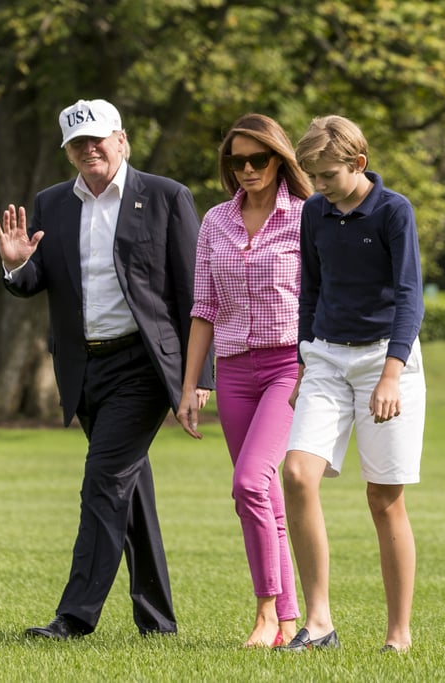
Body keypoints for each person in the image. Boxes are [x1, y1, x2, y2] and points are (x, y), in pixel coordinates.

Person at [0, 98, 214, 640]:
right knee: (129, 490)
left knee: (103, 482)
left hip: (143, 366)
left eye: (98, 138)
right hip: (84, 368)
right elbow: (33, 283)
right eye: (77, 142)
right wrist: (17, 263)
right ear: (67, 149)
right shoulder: (51, 204)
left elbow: (195, 293)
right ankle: (158, 622)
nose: (89, 148)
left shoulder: (165, 197)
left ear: (121, 140)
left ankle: (74, 616)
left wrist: (198, 378)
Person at [276, 115, 427, 654]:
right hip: (325, 360)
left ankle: (398, 635)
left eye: (327, 175)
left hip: (387, 363)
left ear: (358, 164)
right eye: (312, 176)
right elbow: (310, 292)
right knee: (296, 472)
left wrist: (391, 373)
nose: (318, 187)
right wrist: (301, 363)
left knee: (384, 498)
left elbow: (410, 297)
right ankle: (319, 624)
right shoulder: (315, 212)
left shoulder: (393, 211)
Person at [177, 114, 313, 648]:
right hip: (233, 370)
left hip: (288, 368)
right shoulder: (215, 221)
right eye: (238, 160)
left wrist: (312, 370)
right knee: (264, 499)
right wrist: (191, 385)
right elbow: (203, 308)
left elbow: (317, 300)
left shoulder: (306, 218)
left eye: (259, 158)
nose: (249, 169)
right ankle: (286, 621)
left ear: (280, 160)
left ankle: (263, 613)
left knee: (250, 482)